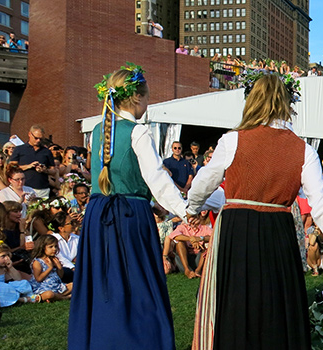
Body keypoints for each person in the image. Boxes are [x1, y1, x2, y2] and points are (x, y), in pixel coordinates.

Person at [186, 73, 323, 350]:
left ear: (251, 101)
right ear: (287, 103)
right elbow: (322, 202)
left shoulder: (233, 140)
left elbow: (202, 184)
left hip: (238, 232)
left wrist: (192, 206)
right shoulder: (303, 150)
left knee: (237, 302)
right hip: (278, 232)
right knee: (277, 302)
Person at [69, 65, 189, 350]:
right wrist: (186, 211)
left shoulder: (98, 131)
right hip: (128, 215)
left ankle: (101, 339)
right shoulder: (138, 132)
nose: (147, 105)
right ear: (136, 98)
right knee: (137, 283)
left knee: (104, 283)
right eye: (147, 98)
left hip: (98, 215)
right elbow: (157, 178)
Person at [9, 125, 55, 199]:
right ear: (30, 134)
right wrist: (28, 166)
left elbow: (54, 170)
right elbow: (12, 167)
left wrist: (45, 170)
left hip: (42, 188)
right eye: (36, 138)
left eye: (41, 139)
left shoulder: (46, 151)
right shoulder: (19, 149)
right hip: (24, 187)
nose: (38, 141)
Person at [163, 212, 211, 279]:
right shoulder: (183, 227)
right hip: (185, 258)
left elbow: (214, 236)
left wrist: (200, 239)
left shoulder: (205, 228)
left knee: (207, 243)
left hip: (199, 256)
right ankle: (187, 270)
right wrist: (191, 239)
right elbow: (174, 235)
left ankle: (198, 270)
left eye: (195, 220)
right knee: (179, 242)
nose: (193, 223)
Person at [29, 235, 71, 302]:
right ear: (42, 247)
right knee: (49, 294)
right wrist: (50, 268)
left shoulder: (54, 259)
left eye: (55, 246)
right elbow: (38, 279)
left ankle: (56, 296)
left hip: (56, 286)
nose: (54, 249)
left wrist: (59, 267)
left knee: (73, 285)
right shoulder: (37, 262)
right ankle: (64, 297)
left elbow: (60, 276)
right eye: (51, 247)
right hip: (43, 288)